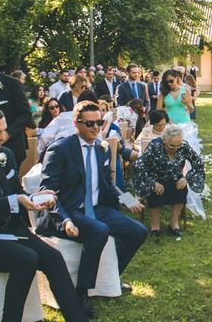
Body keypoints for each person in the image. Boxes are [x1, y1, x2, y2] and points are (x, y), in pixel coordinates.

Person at [0, 104, 86, 322]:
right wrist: (13, 201)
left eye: (4, 130)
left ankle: (77, 318)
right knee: (27, 258)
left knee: (53, 257)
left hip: (9, 228)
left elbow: (15, 191)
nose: (3, 137)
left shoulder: (4, 154)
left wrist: (33, 199)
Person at [38, 101, 148, 318]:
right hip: (70, 210)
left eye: (99, 122)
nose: (96, 127)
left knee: (138, 231)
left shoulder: (102, 147)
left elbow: (108, 184)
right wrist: (65, 220)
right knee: (99, 230)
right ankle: (82, 292)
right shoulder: (60, 149)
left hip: (98, 207)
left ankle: (110, 277)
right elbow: (47, 191)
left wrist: (127, 199)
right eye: (90, 123)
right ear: (76, 123)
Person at [133, 125, 204, 238]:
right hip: (156, 178)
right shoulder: (155, 145)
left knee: (181, 189)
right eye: (171, 145)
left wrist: (186, 178)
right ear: (165, 140)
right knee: (155, 192)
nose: (175, 148)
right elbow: (139, 164)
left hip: (176, 178)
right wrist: (152, 182)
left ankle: (174, 224)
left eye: (178, 145)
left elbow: (198, 163)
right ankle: (155, 226)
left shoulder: (184, 146)